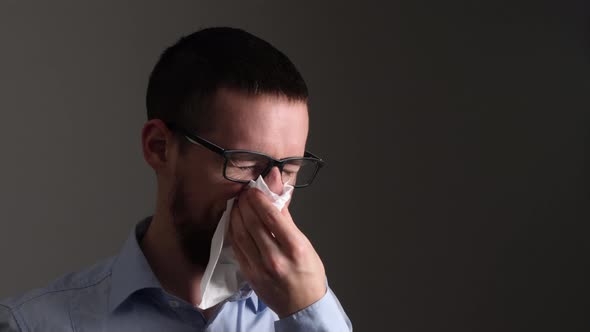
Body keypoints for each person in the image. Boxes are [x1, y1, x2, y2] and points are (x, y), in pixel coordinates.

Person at [0, 27, 352, 331]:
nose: (272, 196)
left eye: (289, 170)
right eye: (245, 165)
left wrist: (309, 311)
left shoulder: (311, 316)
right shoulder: (32, 324)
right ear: (159, 148)